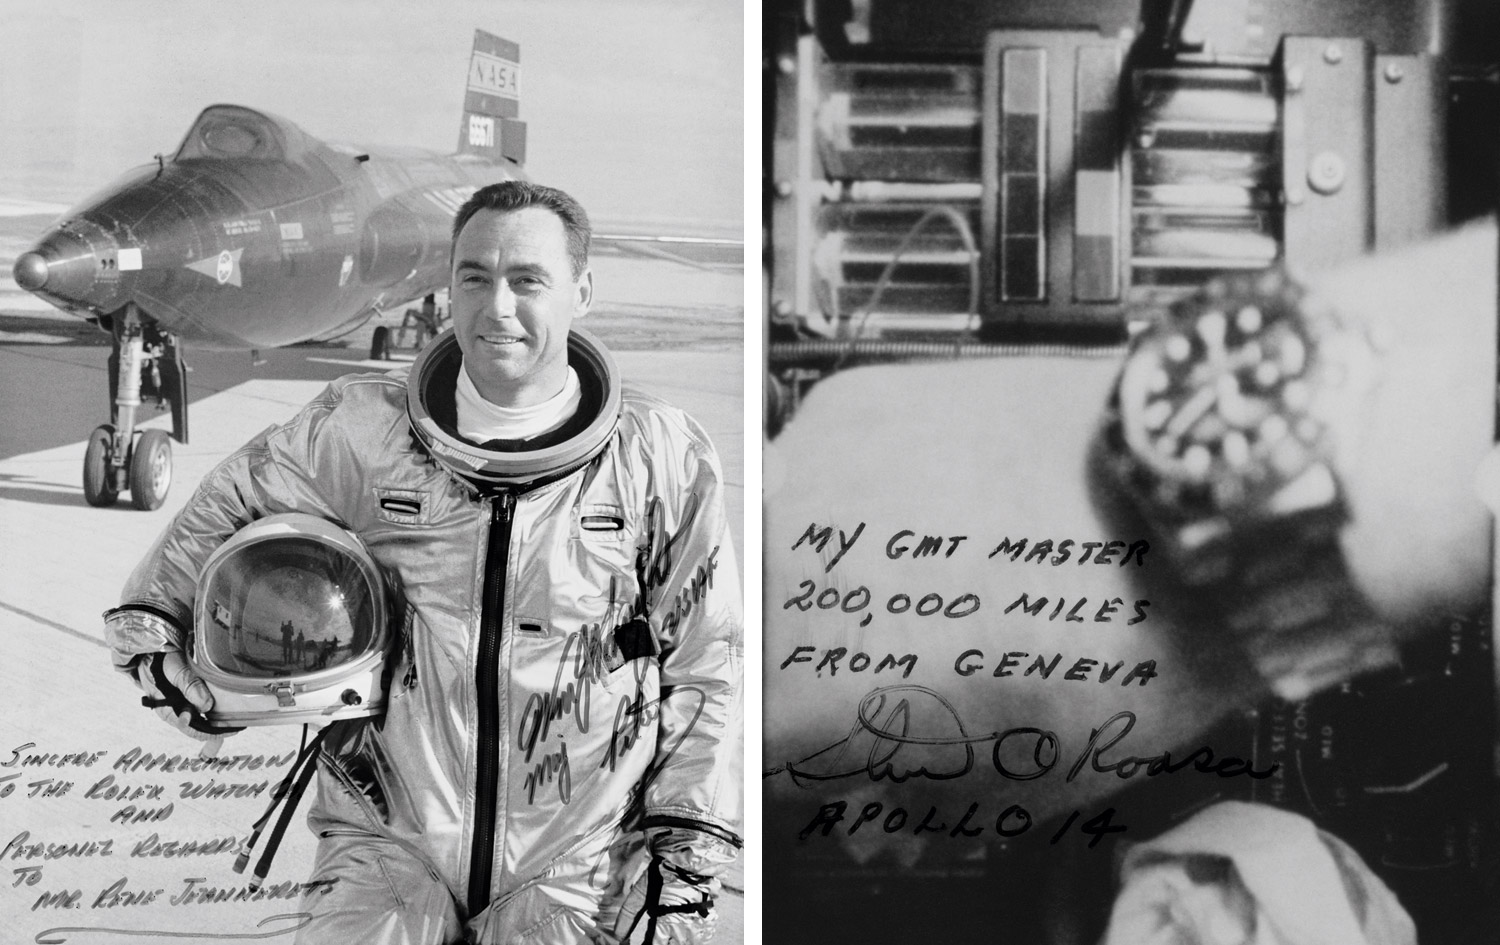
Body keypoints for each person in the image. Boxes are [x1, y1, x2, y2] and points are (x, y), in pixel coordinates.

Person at [103, 180, 743, 945]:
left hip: (582, 863)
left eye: (526, 280)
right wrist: (154, 633)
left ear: (582, 292)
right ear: (449, 288)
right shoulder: (363, 433)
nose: (497, 306)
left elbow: (708, 660)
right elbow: (226, 501)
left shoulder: (659, 456)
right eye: (474, 276)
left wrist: (687, 850)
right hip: (387, 844)